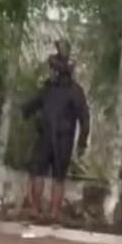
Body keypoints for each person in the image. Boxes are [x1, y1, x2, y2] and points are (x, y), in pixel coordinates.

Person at [22, 39, 90, 224]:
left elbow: (31, 105)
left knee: (41, 173)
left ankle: (38, 210)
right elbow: (85, 118)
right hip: (62, 139)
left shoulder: (52, 88)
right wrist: (82, 142)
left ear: (57, 69)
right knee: (57, 176)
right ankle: (52, 213)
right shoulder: (72, 90)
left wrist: (82, 142)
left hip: (50, 135)